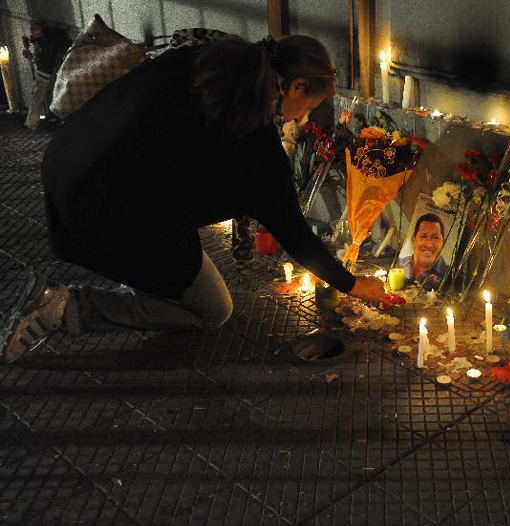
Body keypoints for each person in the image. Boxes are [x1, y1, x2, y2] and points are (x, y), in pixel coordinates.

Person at [1, 35, 392, 364]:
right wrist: (353, 284)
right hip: (109, 211)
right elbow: (294, 231)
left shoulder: (207, 57)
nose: (299, 121)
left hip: (66, 163)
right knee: (212, 310)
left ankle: (141, 280)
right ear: (296, 86)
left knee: (170, 266)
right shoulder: (254, 138)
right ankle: (65, 306)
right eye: (305, 109)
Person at [397, 213, 448, 287]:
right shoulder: (399, 264)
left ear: (443, 242)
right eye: (423, 236)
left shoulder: (449, 276)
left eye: (435, 237)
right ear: (413, 240)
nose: (428, 244)